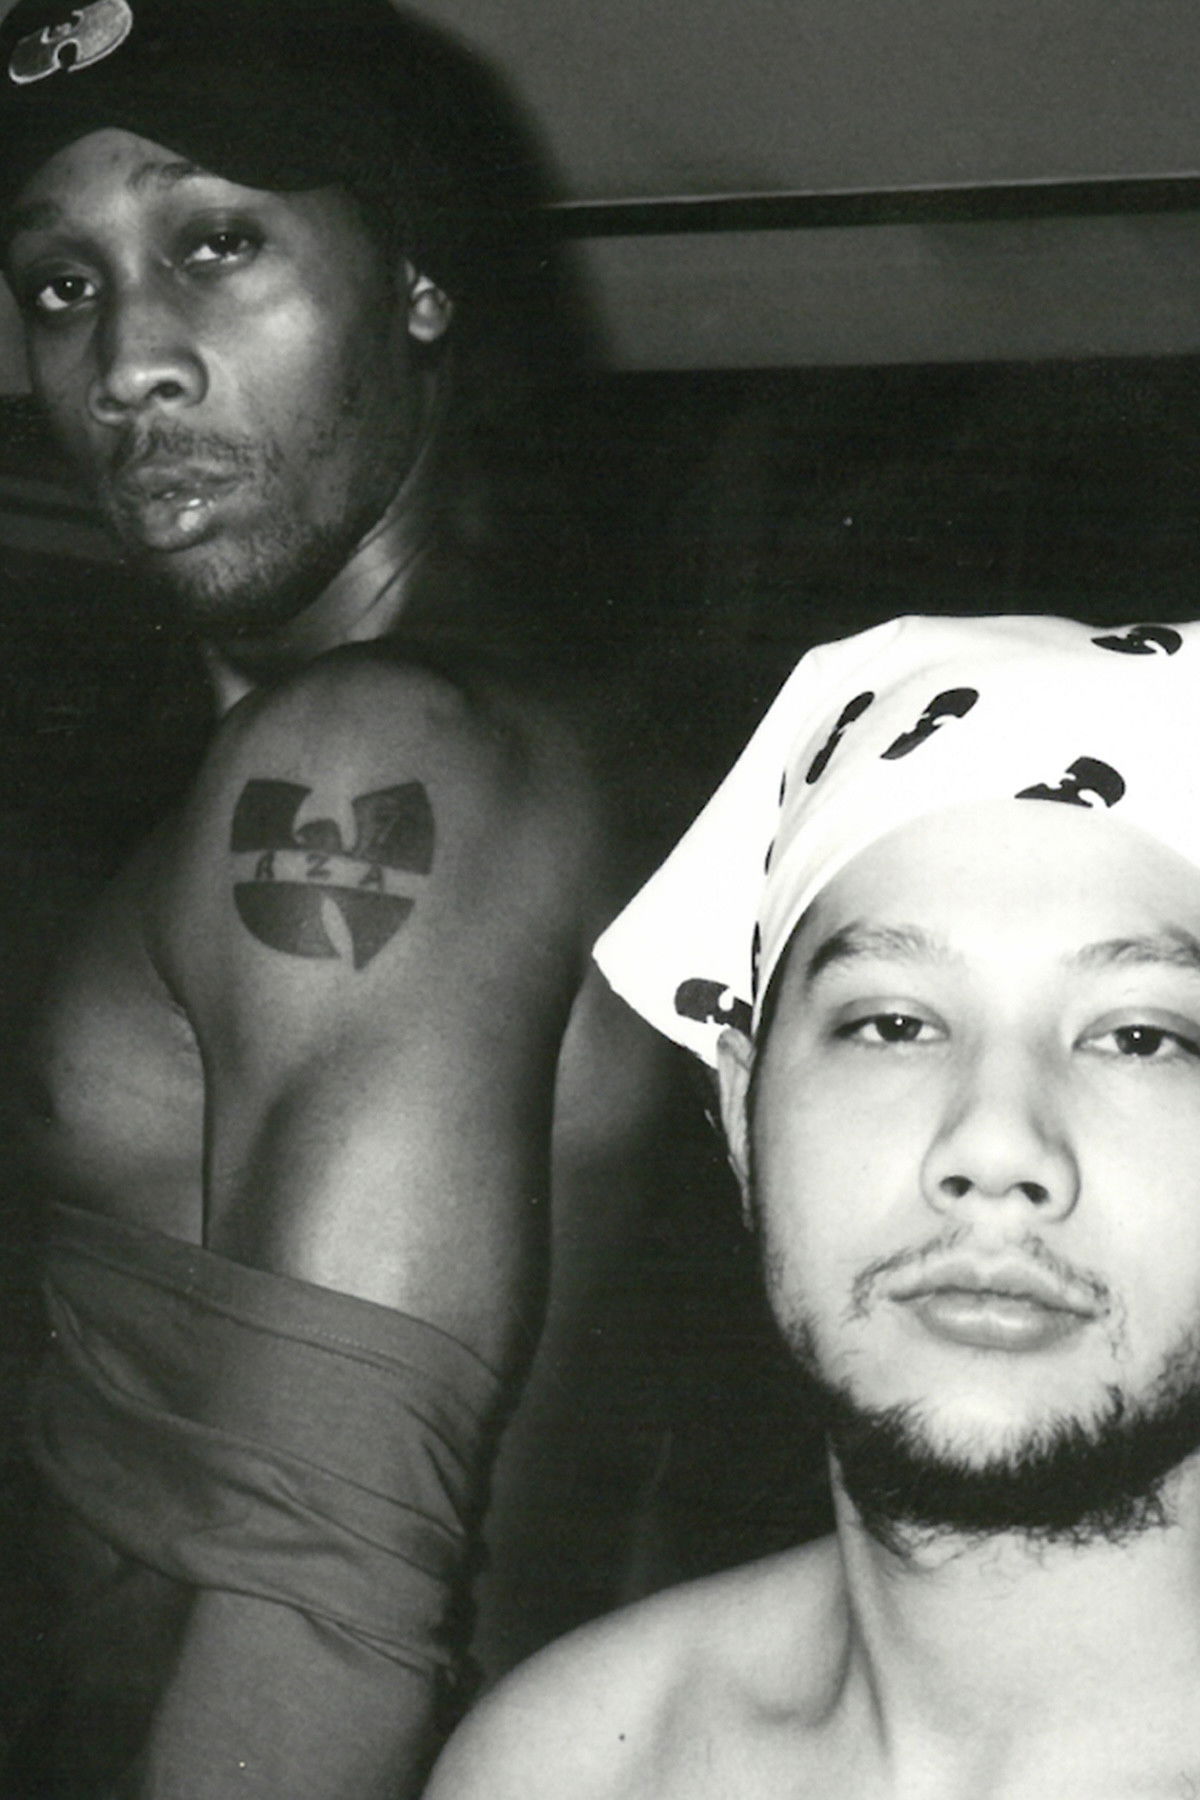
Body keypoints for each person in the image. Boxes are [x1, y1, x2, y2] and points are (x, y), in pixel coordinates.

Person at [0, 1, 672, 1794]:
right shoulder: (433, 740)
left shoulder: (384, 752)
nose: (129, 360)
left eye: (217, 244)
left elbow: (320, 1606)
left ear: (420, 287)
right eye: (61, 284)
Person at [427, 613, 1200, 1800]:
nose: (995, 1145)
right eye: (893, 1024)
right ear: (743, 1116)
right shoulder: (567, 1763)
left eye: (1139, 1037)